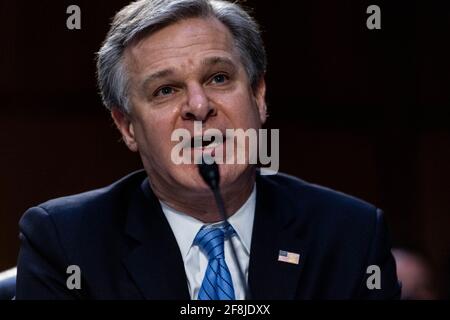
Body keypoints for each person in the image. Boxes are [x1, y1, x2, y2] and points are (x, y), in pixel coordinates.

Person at [16, 0, 400, 300]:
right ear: (127, 126)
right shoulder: (66, 242)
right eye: (165, 90)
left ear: (258, 96)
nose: (199, 106)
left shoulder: (350, 235)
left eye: (218, 78)